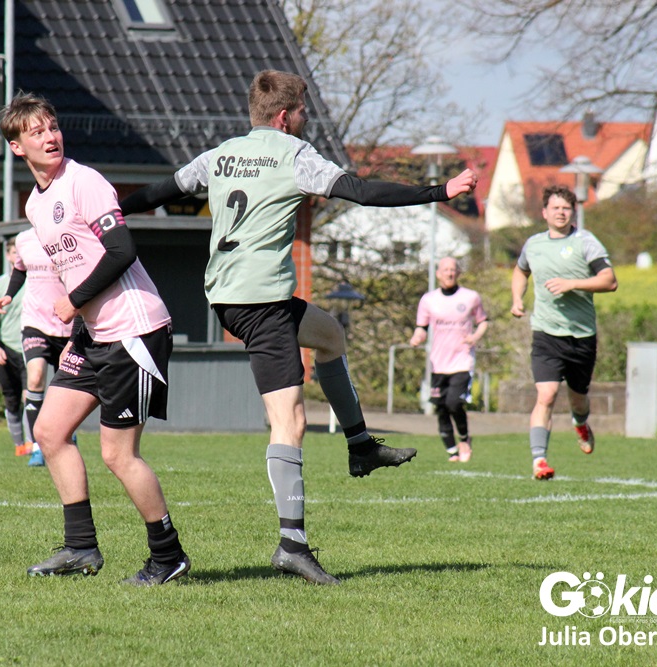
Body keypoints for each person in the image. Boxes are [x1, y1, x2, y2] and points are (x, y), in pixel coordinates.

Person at [119, 69, 477, 584]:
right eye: (304, 111)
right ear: (285, 117)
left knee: (330, 336)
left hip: (233, 294)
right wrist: (439, 190)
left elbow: (159, 190)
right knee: (289, 420)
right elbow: (360, 191)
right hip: (260, 302)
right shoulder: (294, 155)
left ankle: (360, 446)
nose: (307, 118)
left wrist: (112, 209)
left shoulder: (221, 154)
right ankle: (292, 545)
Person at [0, 92, 189, 586]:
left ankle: (168, 557)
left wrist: (74, 302)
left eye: (53, 126)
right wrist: (76, 322)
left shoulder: (85, 182)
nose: (50, 136)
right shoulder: (35, 204)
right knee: (49, 431)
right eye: (36, 132)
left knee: (118, 455)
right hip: (94, 335)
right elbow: (73, 264)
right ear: (17, 147)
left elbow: (121, 250)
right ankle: (81, 548)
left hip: (135, 331)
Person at [510, 184, 617, 480]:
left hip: (581, 336)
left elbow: (609, 280)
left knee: (578, 399)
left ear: (573, 212)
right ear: (544, 212)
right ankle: (539, 461)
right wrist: (517, 299)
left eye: (566, 208)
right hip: (546, 333)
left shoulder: (586, 242)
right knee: (546, 395)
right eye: (555, 208)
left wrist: (572, 284)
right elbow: (520, 271)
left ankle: (580, 423)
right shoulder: (534, 245)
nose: (560, 212)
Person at [4, 227, 76, 467]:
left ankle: (67, 434)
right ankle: (37, 446)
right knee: (35, 379)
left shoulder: (69, 236)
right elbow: (20, 270)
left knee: (65, 389)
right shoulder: (23, 239)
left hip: (67, 325)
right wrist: (9, 295)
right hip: (34, 322)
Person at [409, 257, 488, 462]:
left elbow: (483, 322)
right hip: (438, 363)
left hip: (462, 360)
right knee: (441, 407)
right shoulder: (428, 300)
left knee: (454, 403)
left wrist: (475, 337)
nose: (449, 273)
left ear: (458, 273)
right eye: (445, 270)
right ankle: (452, 450)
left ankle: (464, 438)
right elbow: (422, 327)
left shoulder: (470, 297)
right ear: (438, 274)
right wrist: (417, 337)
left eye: (453, 269)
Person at [0, 236, 29, 457]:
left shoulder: (35, 282)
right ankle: (19, 445)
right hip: (7, 348)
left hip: (30, 346)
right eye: (14, 252)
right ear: (8, 256)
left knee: (30, 396)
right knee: (11, 399)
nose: (18, 256)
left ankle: (33, 444)